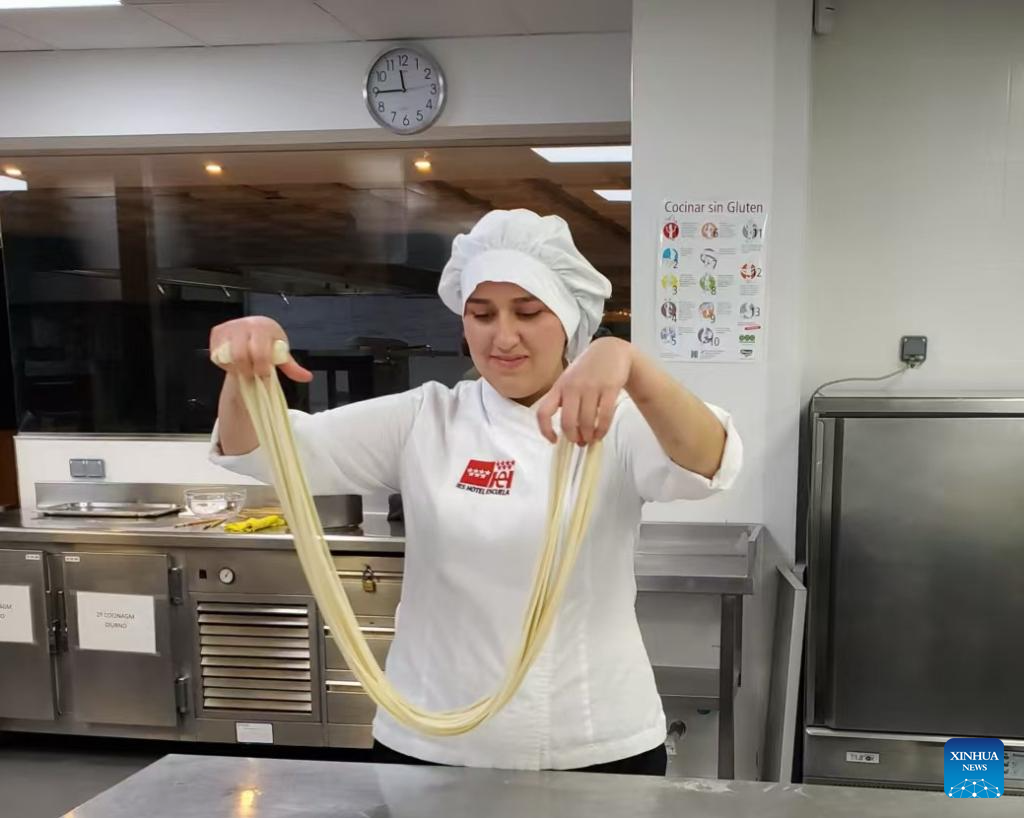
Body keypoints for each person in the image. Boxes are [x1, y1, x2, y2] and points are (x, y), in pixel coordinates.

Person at [208, 209, 742, 775]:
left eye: (528, 312)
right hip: (430, 736)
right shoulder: (426, 417)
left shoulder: (616, 420)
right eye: (481, 314)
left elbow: (709, 460)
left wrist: (631, 364)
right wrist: (246, 368)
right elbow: (263, 449)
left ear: (568, 318)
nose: (503, 336)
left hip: (591, 738)